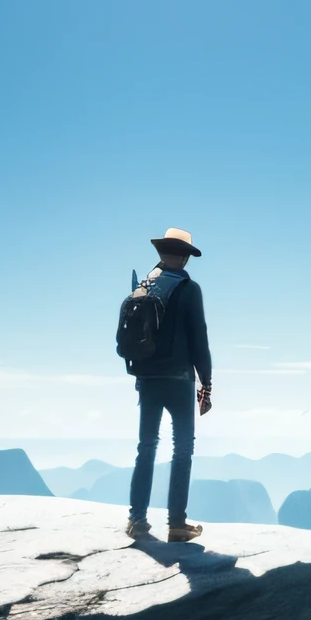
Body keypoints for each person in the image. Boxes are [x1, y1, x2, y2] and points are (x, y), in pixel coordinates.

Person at [123, 227, 213, 542]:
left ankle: (137, 520)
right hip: (178, 380)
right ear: (186, 257)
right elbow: (198, 336)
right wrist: (207, 381)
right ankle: (176, 524)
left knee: (146, 447)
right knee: (182, 449)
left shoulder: (145, 285)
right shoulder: (189, 289)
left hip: (146, 378)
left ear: (161, 253)